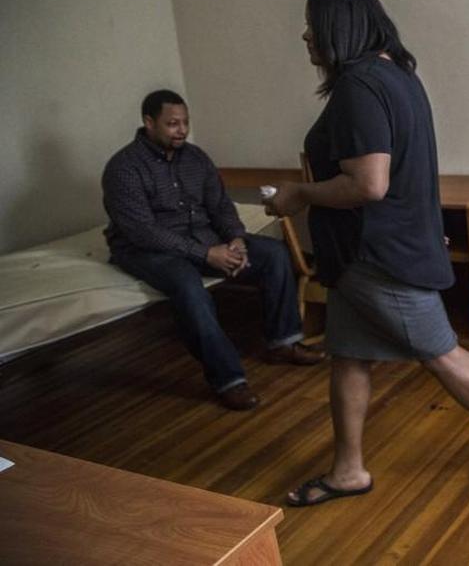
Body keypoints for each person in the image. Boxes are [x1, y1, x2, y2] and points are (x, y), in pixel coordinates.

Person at [266, 0, 469, 507]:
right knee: (347, 354)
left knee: (440, 352)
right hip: (363, 256)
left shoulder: (358, 86)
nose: (305, 38)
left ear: (336, 28)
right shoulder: (397, 76)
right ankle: (348, 470)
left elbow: (369, 184)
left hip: (377, 257)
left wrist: (298, 194)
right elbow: (405, 173)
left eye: (311, 28)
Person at [102, 89, 325, 412]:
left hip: (203, 240)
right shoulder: (124, 168)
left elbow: (220, 206)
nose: (181, 130)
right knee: (187, 285)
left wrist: (235, 239)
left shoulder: (195, 158)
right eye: (172, 124)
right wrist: (207, 254)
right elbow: (143, 232)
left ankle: (283, 342)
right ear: (149, 123)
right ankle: (229, 380)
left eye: (185, 123)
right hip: (147, 249)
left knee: (274, 254)